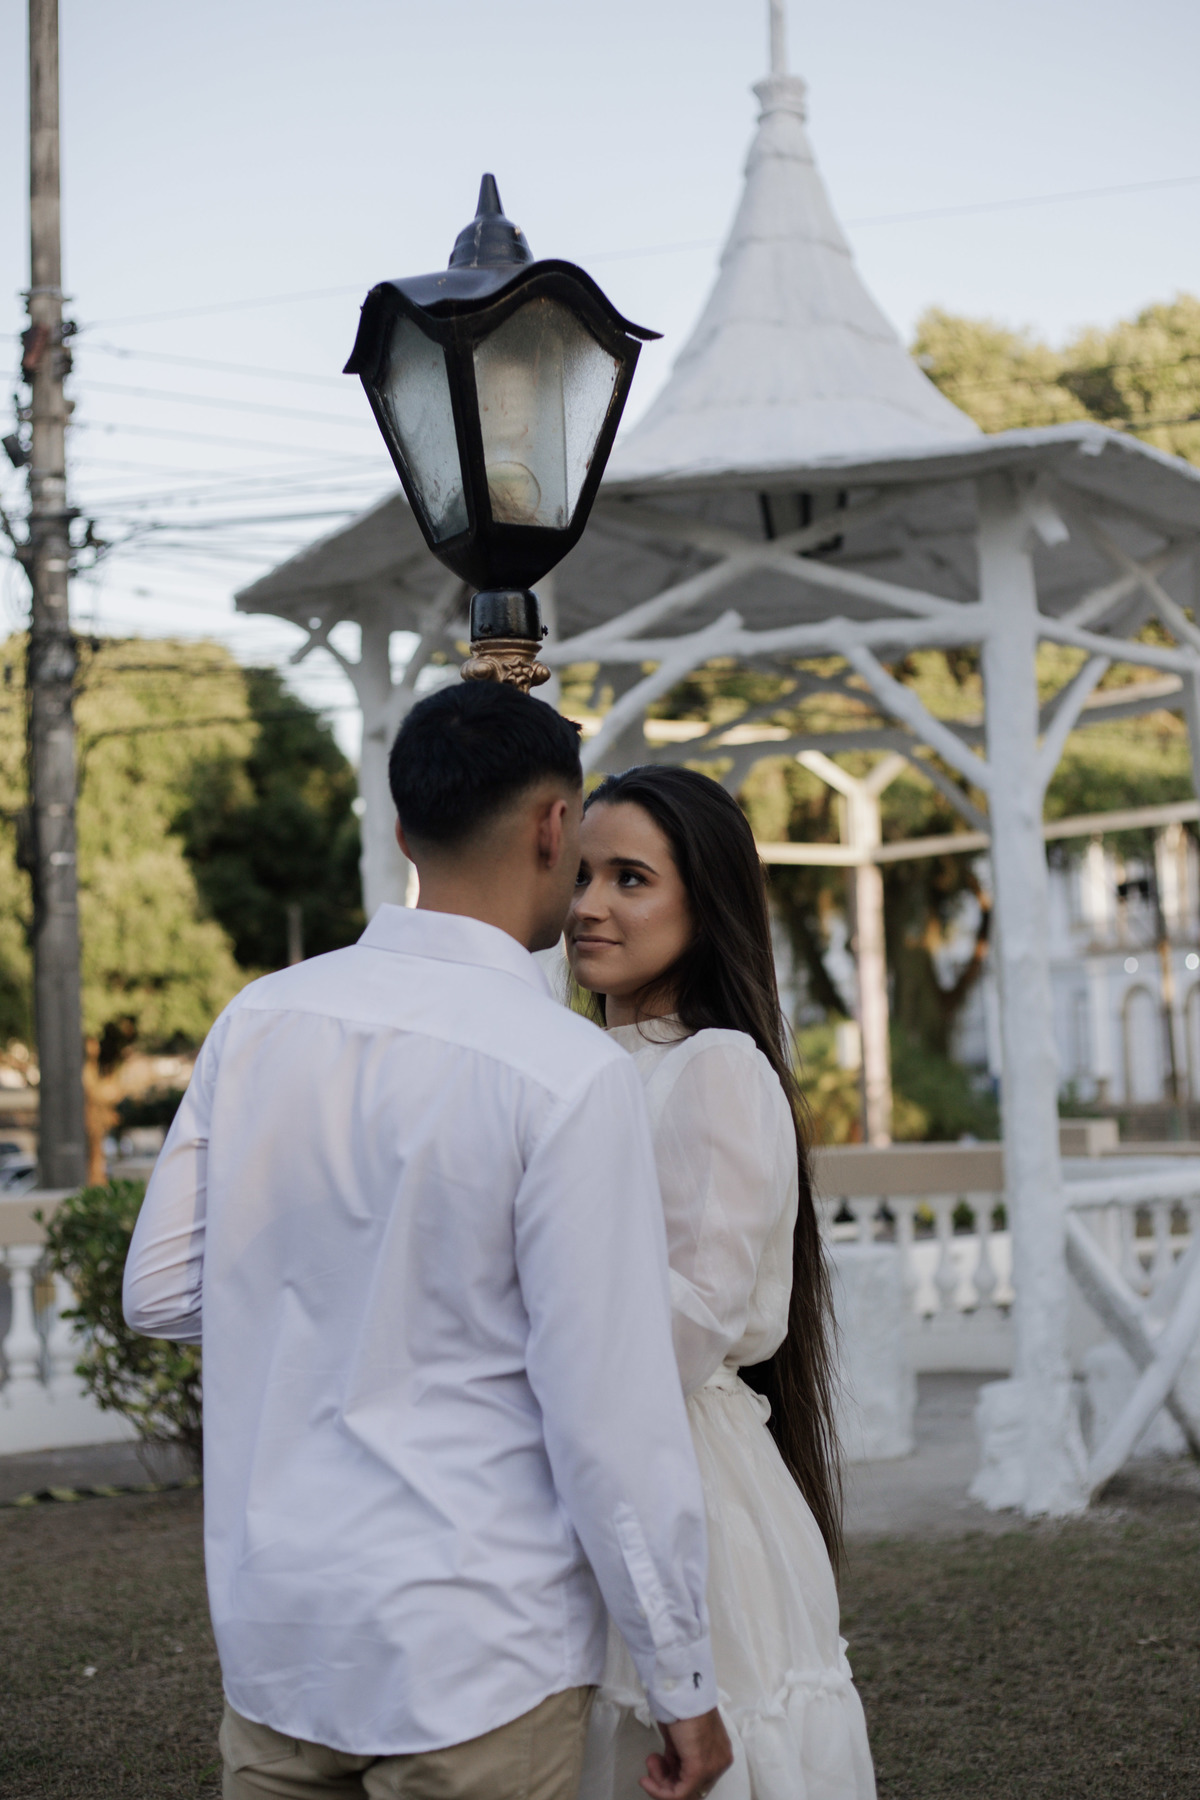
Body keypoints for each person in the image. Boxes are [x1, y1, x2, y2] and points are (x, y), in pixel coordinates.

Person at [124, 684, 732, 1800]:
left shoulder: (259, 1019)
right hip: (478, 1649)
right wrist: (682, 1675)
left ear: (405, 831)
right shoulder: (564, 1072)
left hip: (280, 1634)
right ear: (555, 826)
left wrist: (329, 1291)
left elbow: (159, 1292)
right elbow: (609, 1415)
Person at [566, 766, 876, 1800]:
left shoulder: (713, 1067)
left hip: (675, 1468)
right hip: (590, 1459)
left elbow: (694, 1317)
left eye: (630, 878)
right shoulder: (580, 1063)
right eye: (579, 875)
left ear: (705, 904)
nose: (590, 905)